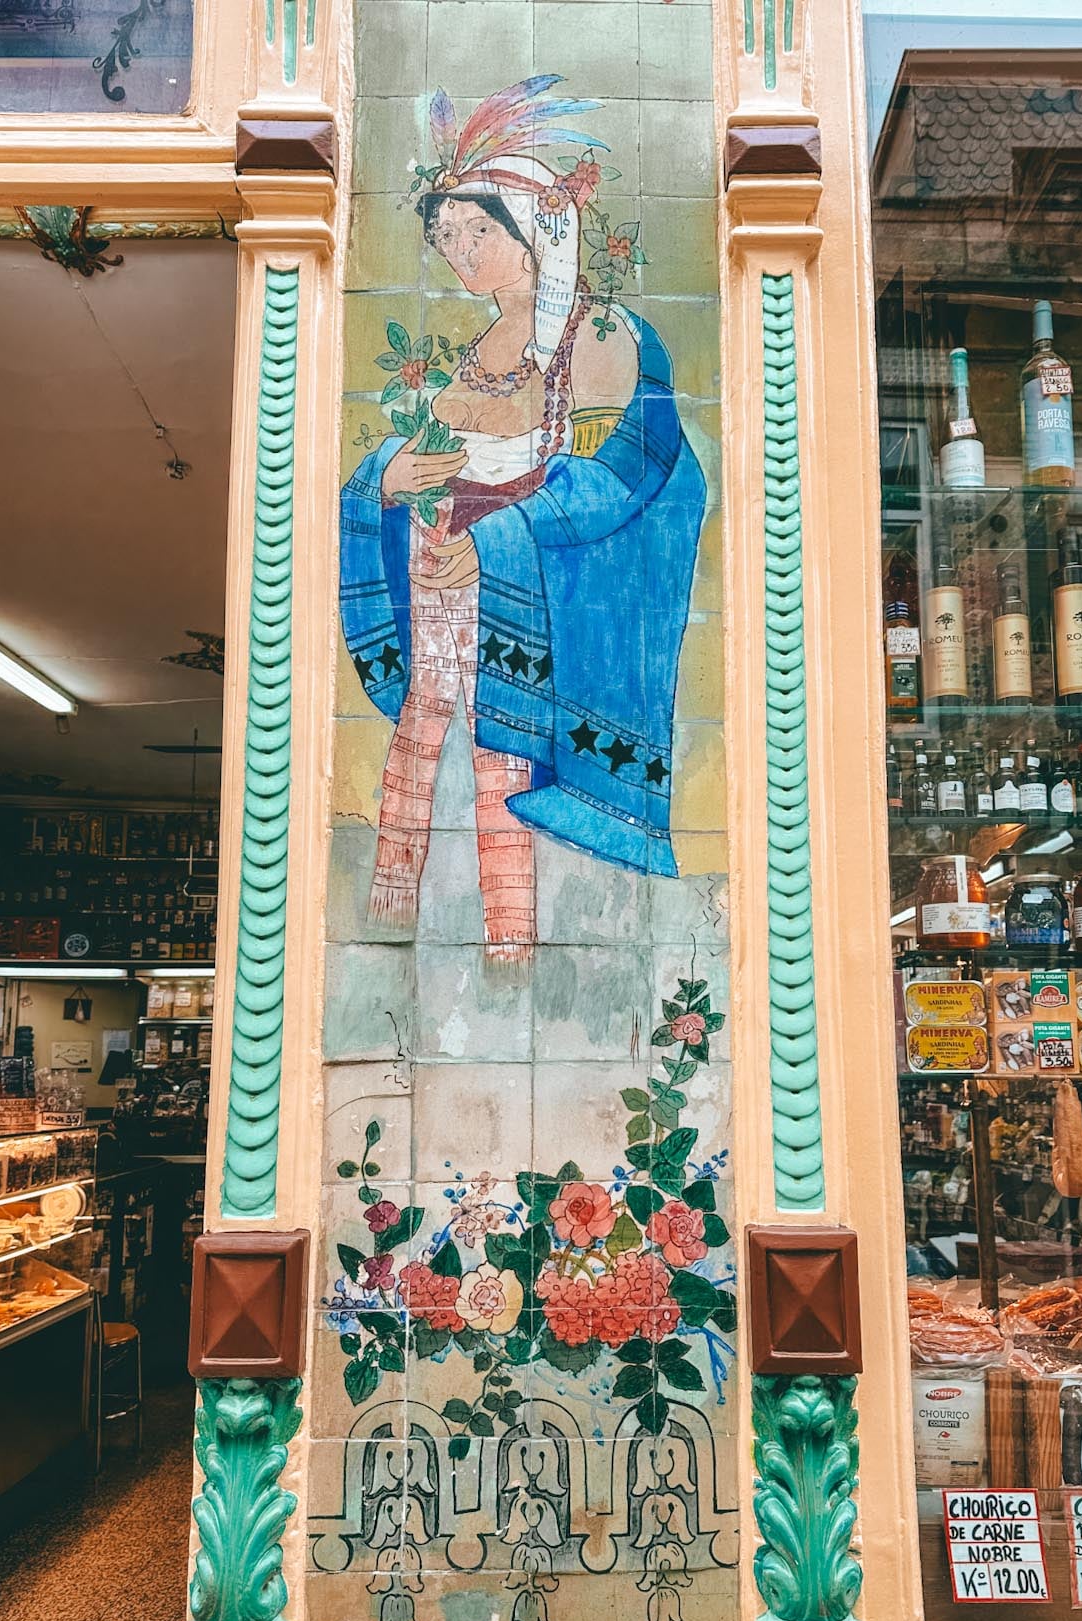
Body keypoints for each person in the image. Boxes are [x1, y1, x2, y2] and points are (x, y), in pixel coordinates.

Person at [340, 76, 705, 963]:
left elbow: (625, 472)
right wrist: (389, 475)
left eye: (476, 230)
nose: (457, 252)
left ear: (529, 225)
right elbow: (382, 468)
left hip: (522, 583)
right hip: (439, 573)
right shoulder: (457, 357)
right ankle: (388, 930)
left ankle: (513, 952)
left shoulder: (601, 336)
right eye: (443, 237)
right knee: (420, 737)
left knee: (502, 754)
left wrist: (496, 540)